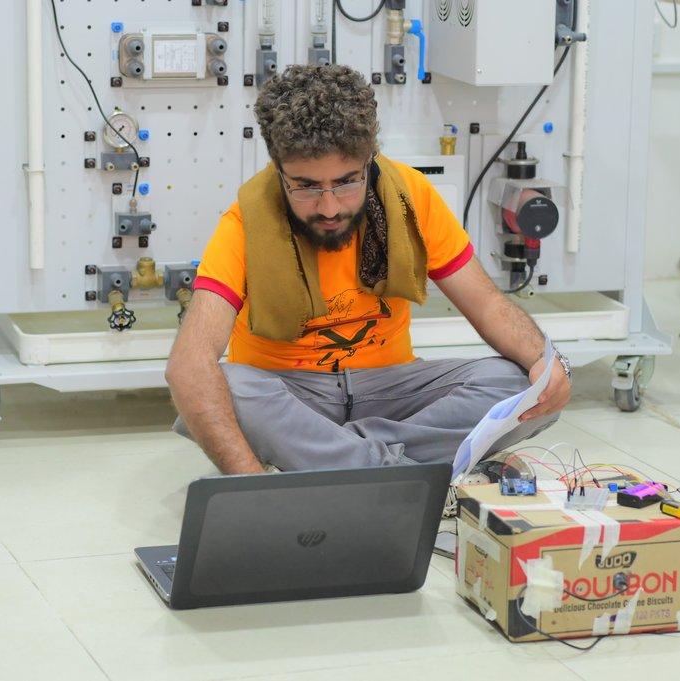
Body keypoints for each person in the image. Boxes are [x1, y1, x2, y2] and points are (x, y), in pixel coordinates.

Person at [166, 65, 570, 476]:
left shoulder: (412, 197)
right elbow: (188, 364)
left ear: (369, 160)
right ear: (279, 168)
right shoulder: (244, 223)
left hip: (392, 389)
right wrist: (252, 487)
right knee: (232, 389)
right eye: (306, 186)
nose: (329, 207)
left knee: (522, 384)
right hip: (294, 397)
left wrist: (546, 362)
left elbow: (487, 304)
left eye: (346, 182)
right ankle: (396, 470)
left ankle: (334, 458)